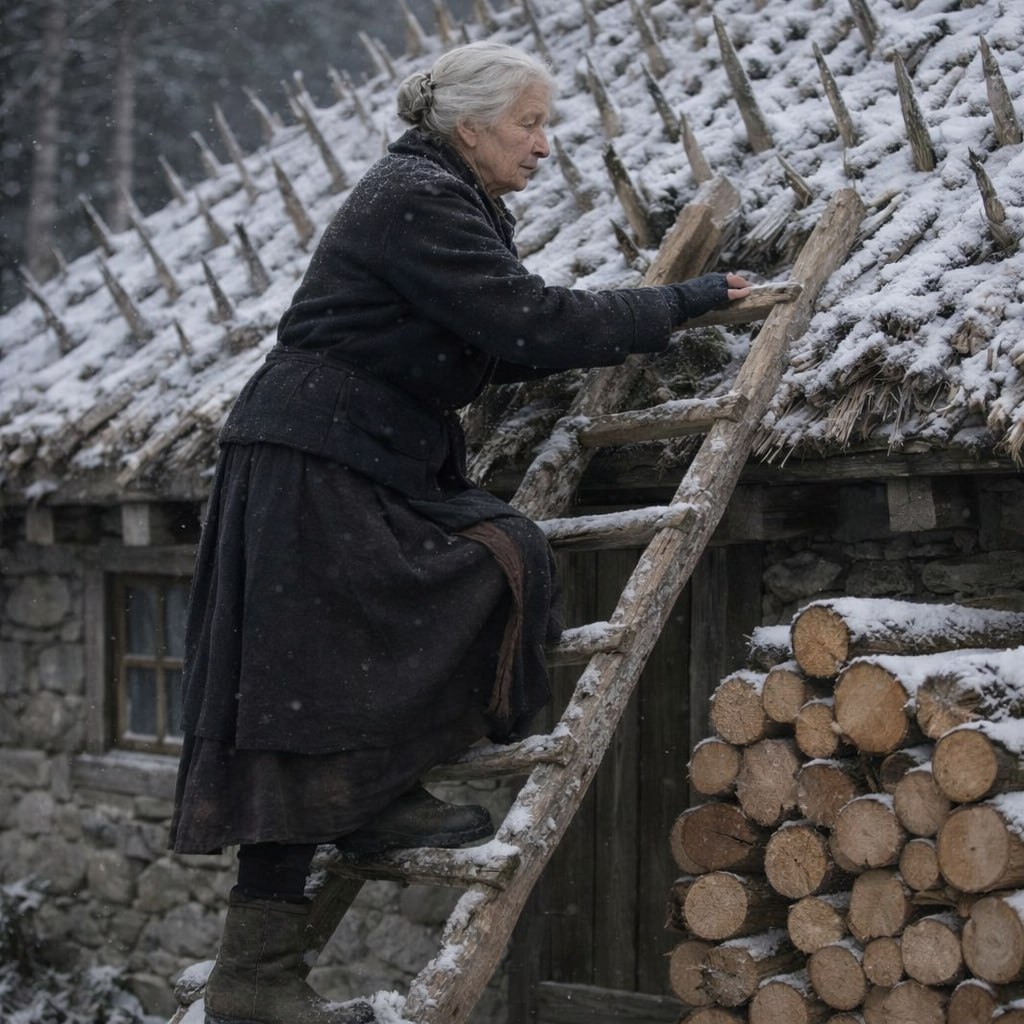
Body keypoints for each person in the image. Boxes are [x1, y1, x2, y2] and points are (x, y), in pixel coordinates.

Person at [170, 40, 750, 1024]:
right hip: (315, 457)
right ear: (469, 125)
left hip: (371, 453)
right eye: (529, 123)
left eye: (547, 124)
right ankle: (257, 972)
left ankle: (382, 795)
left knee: (492, 560)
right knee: (306, 690)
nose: (544, 144)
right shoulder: (417, 195)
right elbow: (526, 323)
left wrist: (626, 314)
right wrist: (680, 302)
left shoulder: (444, 195)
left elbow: (496, 331)